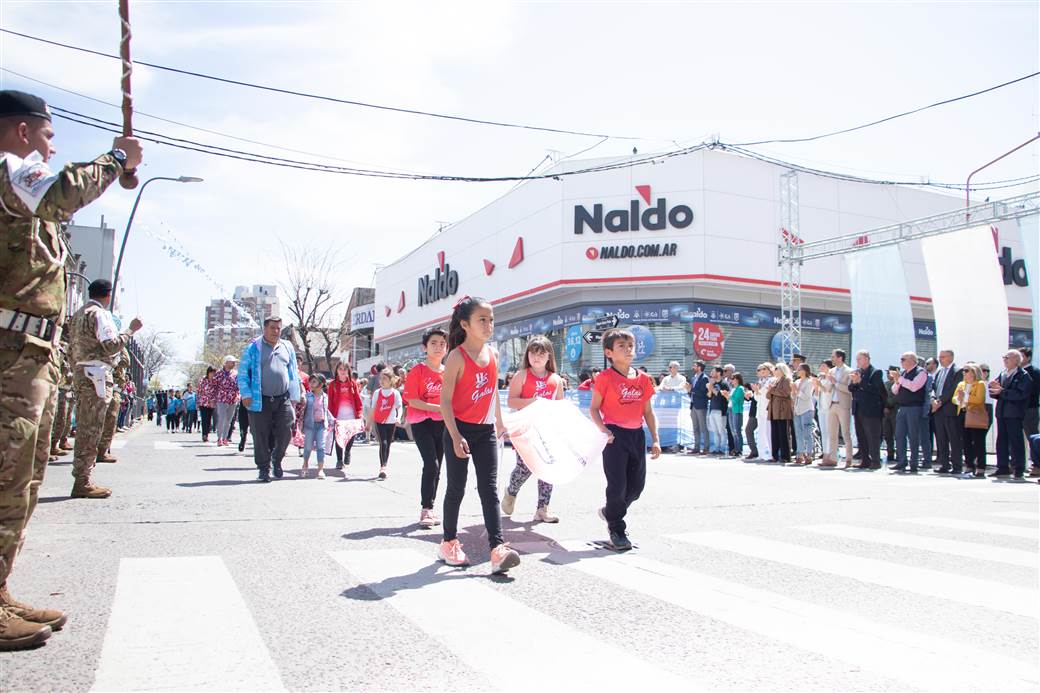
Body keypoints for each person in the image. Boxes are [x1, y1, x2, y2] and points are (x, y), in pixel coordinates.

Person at [0, 89, 142, 650]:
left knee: (22, 478)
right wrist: (116, 159)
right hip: (11, 350)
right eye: (48, 133)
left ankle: (2, 589)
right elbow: (62, 193)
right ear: (20, 132)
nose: (51, 144)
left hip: (30, 353)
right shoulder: (11, 169)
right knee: (7, 474)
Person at [438, 297, 520, 574]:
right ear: (465, 324)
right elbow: (445, 401)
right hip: (458, 430)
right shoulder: (456, 356)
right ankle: (449, 541)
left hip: (485, 431)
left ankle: (497, 548)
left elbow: (493, 391)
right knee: (456, 489)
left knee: (489, 489)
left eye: (491, 319)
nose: (488, 325)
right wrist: (454, 434)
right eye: (482, 320)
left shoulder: (493, 355)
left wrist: (499, 421)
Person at [67, 279, 142, 501]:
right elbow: (111, 345)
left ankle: (82, 478)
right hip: (96, 375)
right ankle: (82, 481)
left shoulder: (79, 314)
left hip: (81, 373)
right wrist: (130, 330)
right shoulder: (100, 314)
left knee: (84, 426)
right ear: (108, 296)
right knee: (91, 429)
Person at [590, 328, 660, 551]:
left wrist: (655, 439)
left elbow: (648, 411)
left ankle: (610, 511)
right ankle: (617, 529)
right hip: (614, 436)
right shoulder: (604, 378)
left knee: (636, 488)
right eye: (622, 345)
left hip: (636, 435)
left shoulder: (644, 379)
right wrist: (604, 431)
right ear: (609, 352)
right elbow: (594, 409)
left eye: (630, 345)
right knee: (617, 485)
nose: (628, 349)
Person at [503, 336, 565, 523]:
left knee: (548, 468)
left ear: (549, 356)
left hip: (547, 431)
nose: (536, 357)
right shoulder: (521, 376)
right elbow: (511, 401)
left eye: (541, 353)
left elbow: (560, 406)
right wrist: (533, 401)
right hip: (524, 430)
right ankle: (511, 492)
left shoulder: (556, 379)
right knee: (525, 468)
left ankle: (542, 509)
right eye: (533, 352)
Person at [238, 317, 302, 483]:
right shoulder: (254, 347)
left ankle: (277, 458)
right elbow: (243, 372)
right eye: (272, 328)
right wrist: (245, 393)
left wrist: (298, 392)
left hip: (283, 398)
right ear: (265, 328)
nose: (276, 331)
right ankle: (263, 468)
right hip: (259, 399)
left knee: (286, 430)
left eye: (278, 328)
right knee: (260, 434)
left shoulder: (287, 347)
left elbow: (293, 372)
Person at [403, 328, 447, 528]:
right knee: (431, 464)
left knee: (438, 467)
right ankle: (426, 509)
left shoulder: (449, 372)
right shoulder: (417, 371)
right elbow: (412, 400)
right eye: (434, 343)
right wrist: (437, 407)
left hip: (444, 423)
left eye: (442, 344)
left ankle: (430, 508)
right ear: (425, 347)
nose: (438, 347)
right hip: (421, 422)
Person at [989, 349, 1031, 480]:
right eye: (1004, 357)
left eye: (1007, 357)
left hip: (1014, 413)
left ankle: (1018, 468)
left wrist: (1002, 392)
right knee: (1001, 440)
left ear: (1016, 360)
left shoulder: (1023, 375)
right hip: (1001, 412)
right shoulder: (1003, 374)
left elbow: (1021, 394)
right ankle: (1002, 467)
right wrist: (993, 389)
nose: (1004, 359)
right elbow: (995, 391)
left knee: (1016, 441)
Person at [890, 352, 926, 473]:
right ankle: (901, 461)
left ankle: (914, 462)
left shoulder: (921, 372)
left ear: (912, 360)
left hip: (914, 407)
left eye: (903, 359)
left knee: (913, 436)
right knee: (899, 435)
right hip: (903, 407)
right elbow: (895, 391)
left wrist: (900, 378)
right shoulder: (904, 373)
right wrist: (897, 380)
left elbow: (914, 386)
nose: (901, 362)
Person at [849, 350, 884, 470]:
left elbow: (875, 389)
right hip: (858, 408)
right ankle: (865, 460)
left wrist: (860, 381)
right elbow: (851, 388)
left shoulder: (876, 372)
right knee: (861, 436)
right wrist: (854, 382)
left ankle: (875, 460)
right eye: (856, 359)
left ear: (867, 359)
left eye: (859, 359)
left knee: (872, 436)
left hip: (870, 409)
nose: (857, 362)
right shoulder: (857, 372)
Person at [930, 349, 964, 474]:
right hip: (938, 410)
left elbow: (953, 389)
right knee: (941, 438)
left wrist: (940, 402)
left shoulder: (958, 371)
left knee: (953, 438)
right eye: (939, 356)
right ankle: (944, 464)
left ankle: (957, 465)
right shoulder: (939, 372)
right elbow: (933, 387)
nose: (940, 359)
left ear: (951, 357)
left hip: (950, 409)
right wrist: (933, 399)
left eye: (943, 357)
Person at [954, 363, 989, 478]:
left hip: (975, 414)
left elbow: (979, 399)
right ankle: (969, 466)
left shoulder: (980, 384)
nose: (964, 372)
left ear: (974, 372)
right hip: (963, 413)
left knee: (978, 442)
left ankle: (980, 467)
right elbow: (954, 398)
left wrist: (965, 396)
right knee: (966, 441)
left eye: (967, 370)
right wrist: (958, 399)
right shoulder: (961, 384)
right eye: (964, 370)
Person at [329, 360, 365, 471]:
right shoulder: (333, 384)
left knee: (351, 436)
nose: (343, 371)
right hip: (338, 416)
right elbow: (330, 401)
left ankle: (348, 452)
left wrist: (359, 414)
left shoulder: (353, 384)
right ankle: (339, 460)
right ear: (337, 371)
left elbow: (358, 400)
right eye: (340, 369)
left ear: (348, 371)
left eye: (345, 369)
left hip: (351, 415)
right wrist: (330, 416)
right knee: (338, 438)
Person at [821, 349, 852, 468]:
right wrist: (825, 383)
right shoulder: (832, 371)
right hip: (831, 404)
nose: (832, 359)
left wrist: (836, 383)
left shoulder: (849, 371)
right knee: (831, 433)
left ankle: (849, 459)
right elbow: (829, 388)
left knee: (845, 433)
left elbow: (849, 389)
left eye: (833, 357)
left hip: (843, 404)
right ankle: (833, 458)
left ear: (840, 358)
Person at [369, 369, 402, 480]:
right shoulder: (377, 393)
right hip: (379, 421)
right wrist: (369, 423)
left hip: (391, 422)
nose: (381, 381)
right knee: (383, 443)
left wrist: (398, 417)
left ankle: (385, 465)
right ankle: (382, 468)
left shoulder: (395, 393)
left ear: (391, 380)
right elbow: (372, 409)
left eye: (384, 378)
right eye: (380, 378)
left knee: (387, 444)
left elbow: (399, 407)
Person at [300, 374, 334, 479]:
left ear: (321, 384)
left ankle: (320, 470)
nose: (311, 384)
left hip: (321, 425)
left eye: (314, 382)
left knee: (321, 447)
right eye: (310, 382)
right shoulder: (307, 396)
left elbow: (326, 410)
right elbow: (302, 410)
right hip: (310, 425)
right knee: (308, 447)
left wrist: (331, 420)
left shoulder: (325, 397)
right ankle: (305, 465)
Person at [1019, 347, 1040, 477]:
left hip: (1030, 409)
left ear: (1027, 358)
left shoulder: (1034, 372)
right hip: (1016, 409)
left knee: (1032, 437)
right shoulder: (1015, 372)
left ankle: (1036, 464)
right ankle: (1018, 464)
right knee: (1016, 437)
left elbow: (1033, 391)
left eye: (1020, 356)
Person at [767, 363, 793, 464]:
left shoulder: (787, 380)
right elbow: (768, 395)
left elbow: (786, 393)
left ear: (782, 370)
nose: (775, 370)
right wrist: (771, 390)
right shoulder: (775, 381)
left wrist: (773, 390)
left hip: (782, 410)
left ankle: (785, 456)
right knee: (774, 434)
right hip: (774, 410)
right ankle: (775, 455)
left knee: (783, 434)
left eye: (776, 369)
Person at [791, 364, 816, 465]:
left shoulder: (809, 382)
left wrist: (797, 390)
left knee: (807, 433)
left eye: (799, 369)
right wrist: (793, 391)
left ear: (805, 370)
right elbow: (794, 396)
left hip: (806, 409)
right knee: (798, 434)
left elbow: (806, 396)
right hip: (797, 410)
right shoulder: (797, 382)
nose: (797, 371)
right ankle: (799, 454)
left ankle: (809, 454)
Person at [213, 355, 239, 446]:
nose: (234, 364)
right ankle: (219, 438)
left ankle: (225, 438)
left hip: (233, 399)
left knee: (229, 420)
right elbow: (214, 386)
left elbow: (239, 385)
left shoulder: (236, 373)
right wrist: (213, 398)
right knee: (221, 419)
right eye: (232, 362)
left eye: (234, 362)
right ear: (226, 363)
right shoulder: (219, 373)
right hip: (222, 399)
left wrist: (238, 395)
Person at [750, 363, 773, 461]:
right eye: (759, 370)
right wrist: (756, 391)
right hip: (760, 409)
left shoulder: (771, 380)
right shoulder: (760, 381)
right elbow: (757, 397)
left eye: (763, 369)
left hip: (767, 408)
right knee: (761, 432)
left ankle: (770, 454)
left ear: (769, 370)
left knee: (768, 432)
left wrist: (759, 392)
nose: (761, 371)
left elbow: (767, 395)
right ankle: (762, 453)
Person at [686, 361, 709, 454]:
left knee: (703, 428)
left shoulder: (704, 378)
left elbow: (703, 392)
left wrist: (691, 390)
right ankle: (696, 447)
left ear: (699, 367)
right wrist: (689, 391)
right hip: (693, 405)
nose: (693, 367)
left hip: (701, 405)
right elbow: (692, 392)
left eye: (694, 366)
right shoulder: (693, 378)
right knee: (695, 428)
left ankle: (706, 448)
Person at [705, 366, 729, 455]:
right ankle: (716, 448)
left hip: (721, 410)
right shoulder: (713, 384)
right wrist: (710, 388)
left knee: (721, 430)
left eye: (713, 371)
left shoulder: (724, 384)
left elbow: (719, 394)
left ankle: (722, 449)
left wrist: (710, 386)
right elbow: (709, 395)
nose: (711, 373)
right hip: (712, 409)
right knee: (715, 431)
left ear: (718, 373)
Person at [817, 360, 834, 461]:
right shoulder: (821, 378)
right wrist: (816, 386)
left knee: (829, 431)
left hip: (829, 406)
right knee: (823, 431)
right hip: (821, 407)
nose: (821, 367)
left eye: (823, 366)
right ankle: (824, 452)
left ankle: (829, 452)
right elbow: (816, 394)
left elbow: (828, 390)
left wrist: (820, 385)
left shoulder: (831, 378)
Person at [728, 373, 746, 459]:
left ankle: (739, 449)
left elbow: (736, 400)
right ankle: (735, 448)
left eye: (733, 378)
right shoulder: (733, 389)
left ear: (738, 379)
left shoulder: (740, 388)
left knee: (737, 430)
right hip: (731, 409)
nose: (731, 380)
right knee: (733, 431)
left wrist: (729, 396)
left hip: (737, 411)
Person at [197, 366, 217, 442]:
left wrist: (214, 400)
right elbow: (199, 392)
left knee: (209, 419)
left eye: (214, 373)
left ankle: (207, 433)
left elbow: (216, 392)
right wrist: (198, 403)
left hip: (211, 404)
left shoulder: (215, 382)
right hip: (203, 403)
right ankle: (204, 435)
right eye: (212, 373)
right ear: (208, 373)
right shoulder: (203, 381)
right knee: (204, 419)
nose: (213, 374)